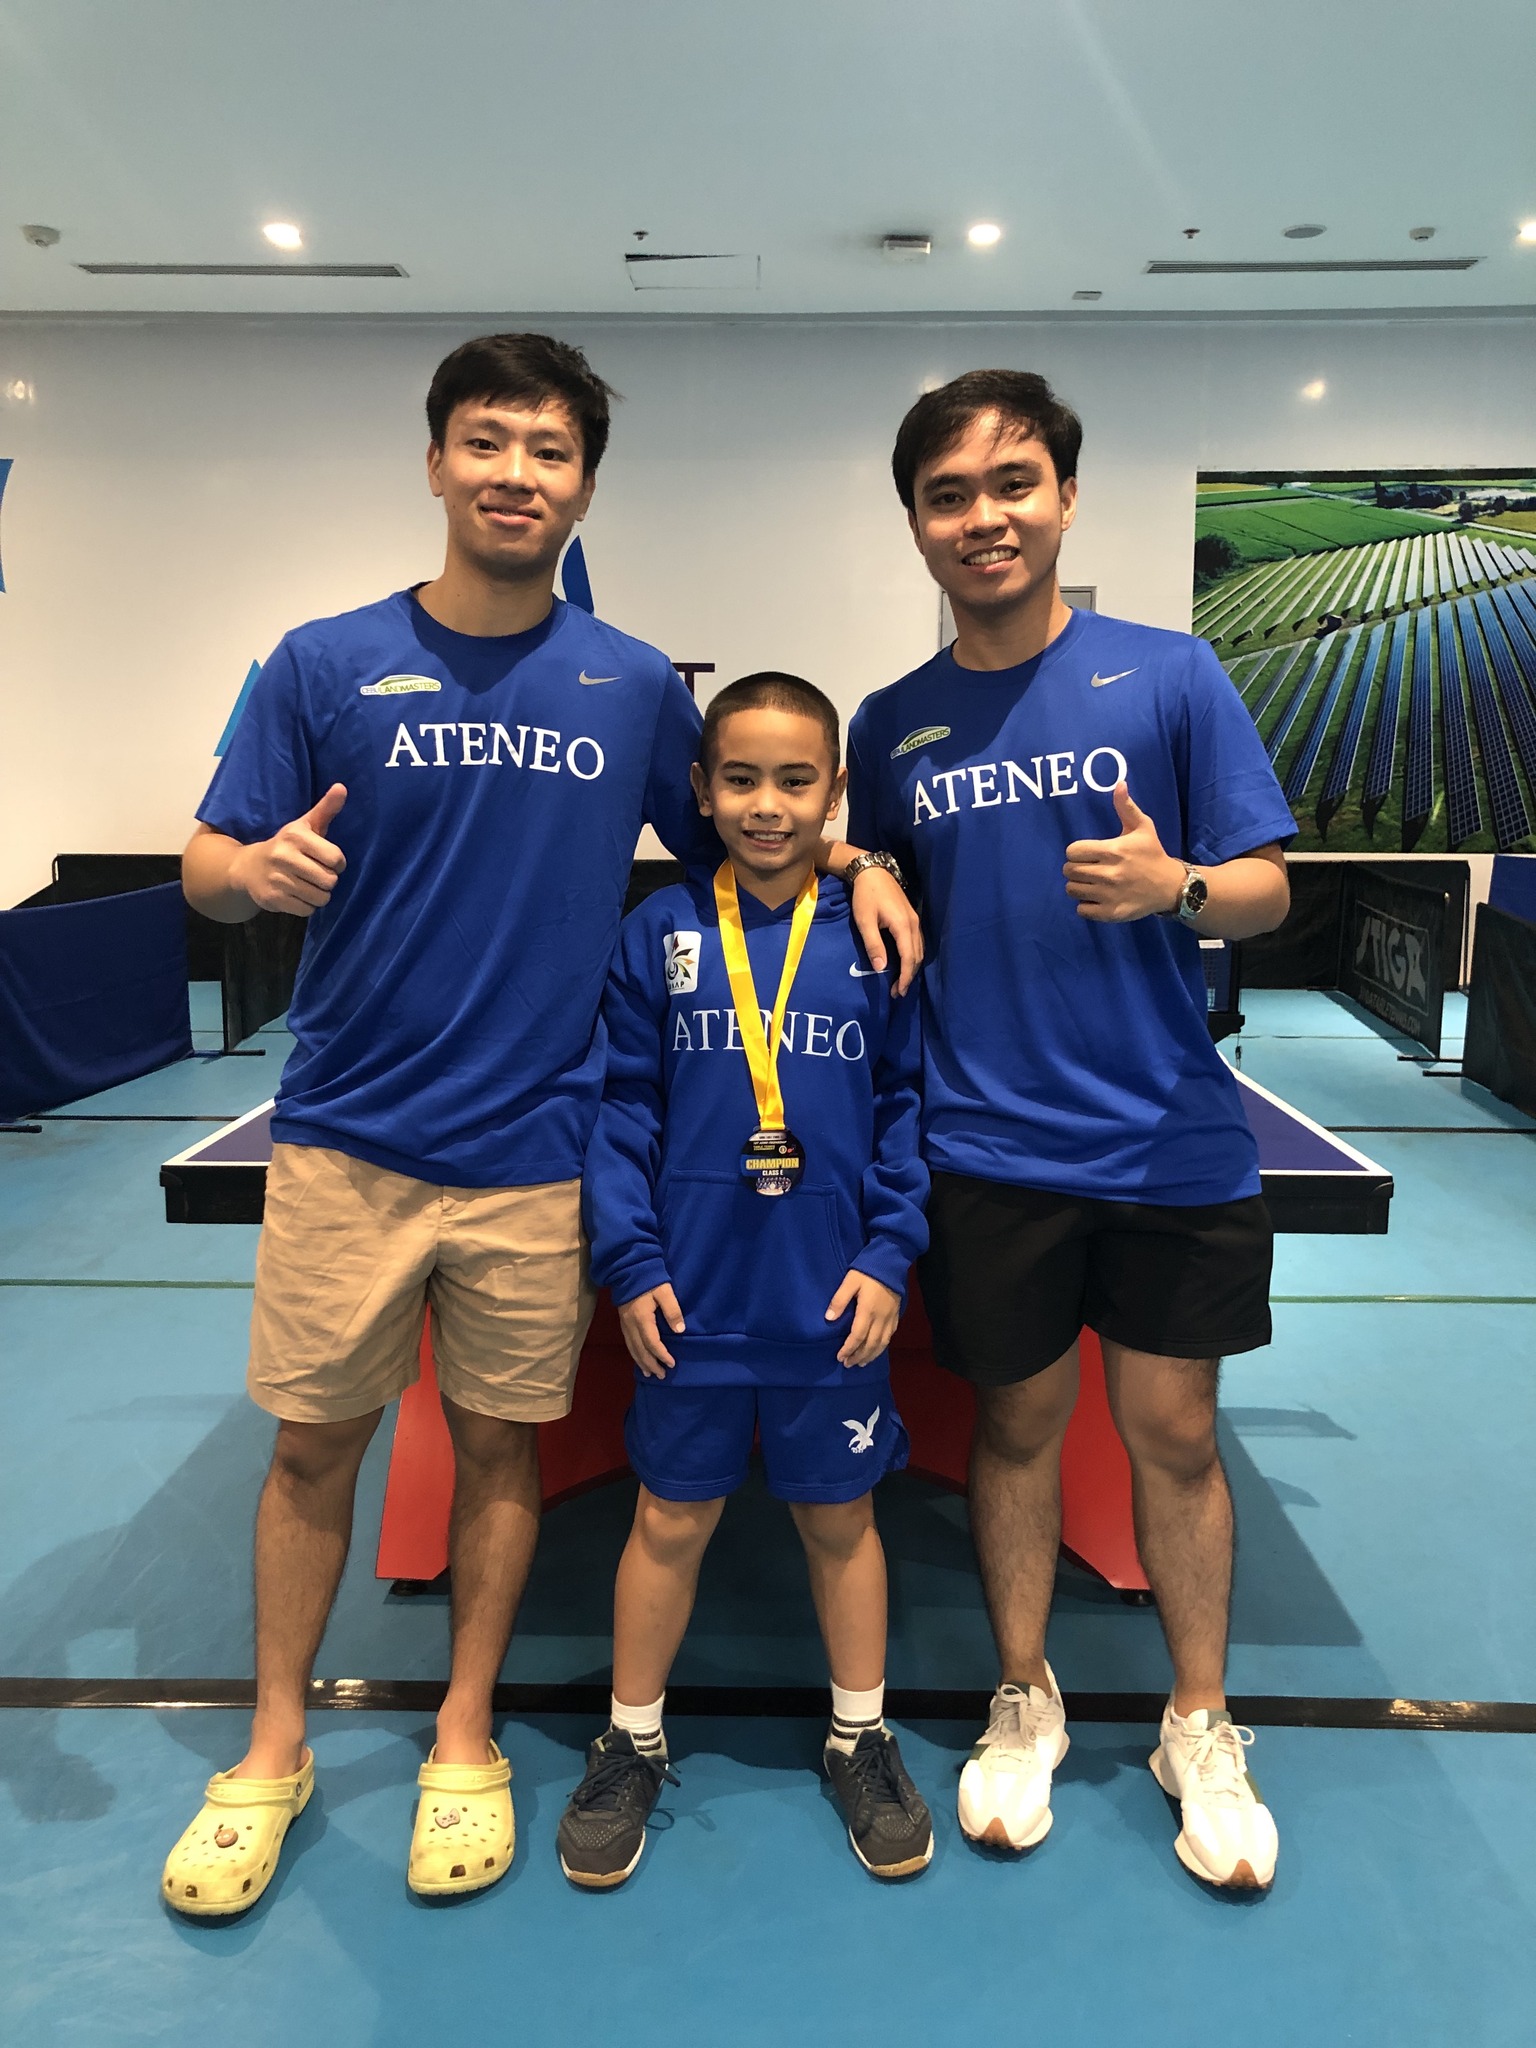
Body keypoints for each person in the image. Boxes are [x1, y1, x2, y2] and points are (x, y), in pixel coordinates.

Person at [161, 333, 919, 1917]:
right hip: (348, 1133)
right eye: (489, 443)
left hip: (534, 1152)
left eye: (552, 451)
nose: (519, 474)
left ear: (585, 484)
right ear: (436, 463)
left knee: (502, 1449)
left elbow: (736, 830)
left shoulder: (632, 681)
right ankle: (274, 1748)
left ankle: (463, 1734)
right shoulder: (319, 660)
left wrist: (858, 863)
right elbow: (206, 863)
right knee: (313, 1453)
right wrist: (253, 877)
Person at [846, 370, 1295, 1892]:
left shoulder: (1171, 678)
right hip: (990, 1148)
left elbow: (1266, 889)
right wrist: (860, 866)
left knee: (1176, 1437)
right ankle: (1024, 1696)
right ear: (916, 522)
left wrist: (1175, 887)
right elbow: (870, 872)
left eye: (1014, 482)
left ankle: (1196, 1718)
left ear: (1065, 497)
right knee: (1020, 1430)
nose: (986, 517)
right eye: (951, 494)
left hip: (1171, 1141)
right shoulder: (891, 723)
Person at [555, 673, 932, 1889]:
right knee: (667, 1517)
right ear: (703, 791)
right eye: (740, 778)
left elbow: (905, 1110)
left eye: (797, 779)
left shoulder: (875, 934)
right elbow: (620, 1111)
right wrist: (631, 1260)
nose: (768, 805)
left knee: (841, 1518)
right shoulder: (657, 934)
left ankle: (860, 1735)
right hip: (692, 1305)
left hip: (836, 1307)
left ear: (835, 792)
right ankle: (633, 1737)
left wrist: (887, 1254)